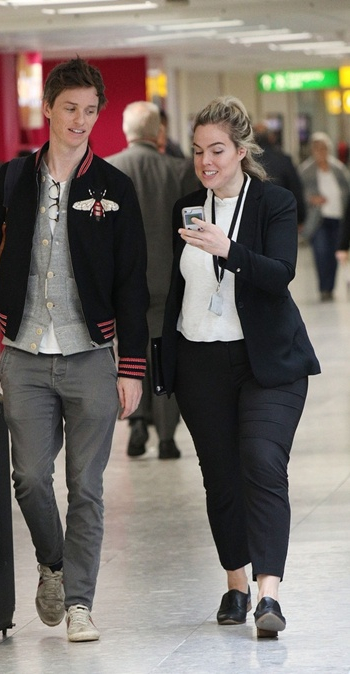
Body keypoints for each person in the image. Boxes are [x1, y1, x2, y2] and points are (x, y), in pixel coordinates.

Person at [0, 57, 149, 642]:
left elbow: (132, 282)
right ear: (48, 109)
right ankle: (53, 564)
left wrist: (132, 367)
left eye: (90, 111)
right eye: (70, 109)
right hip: (25, 353)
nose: (80, 120)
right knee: (32, 478)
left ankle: (80, 603)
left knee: (86, 485)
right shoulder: (13, 180)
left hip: (90, 355)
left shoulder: (115, 188)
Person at [161, 96, 320, 638]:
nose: (206, 162)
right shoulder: (186, 207)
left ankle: (268, 594)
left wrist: (226, 248)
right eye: (198, 151)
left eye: (217, 150)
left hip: (268, 361)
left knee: (262, 461)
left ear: (241, 150)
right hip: (200, 360)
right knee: (221, 476)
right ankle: (236, 584)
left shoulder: (274, 202)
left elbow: (279, 273)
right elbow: (179, 287)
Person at [106, 100, 197, 459]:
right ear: (159, 132)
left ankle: (137, 422)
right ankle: (167, 437)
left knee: (130, 350)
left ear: (125, 130)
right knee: (163, 354)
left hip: (121, 284)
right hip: (168, 281)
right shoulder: (180, 170)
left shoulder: (107, 170)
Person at [299, 132, 350, 301]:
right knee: (321, 253)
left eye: (324, 148)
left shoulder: (339, 169)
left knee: (335, 254)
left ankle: (330, 288)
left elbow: (347, 191)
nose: (321, 151)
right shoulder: (306, 171)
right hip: (318, 219)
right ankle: (324, 288)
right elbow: (298, 194)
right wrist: (311, 199)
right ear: (312, 150)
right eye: (317, 148)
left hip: (338, 217)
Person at [253, 122, 306, 225]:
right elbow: (295, 189)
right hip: (280, 215)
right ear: (271, 138)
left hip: (253, 218)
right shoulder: (284, 160)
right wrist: (300, 217)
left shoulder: (244, 160)